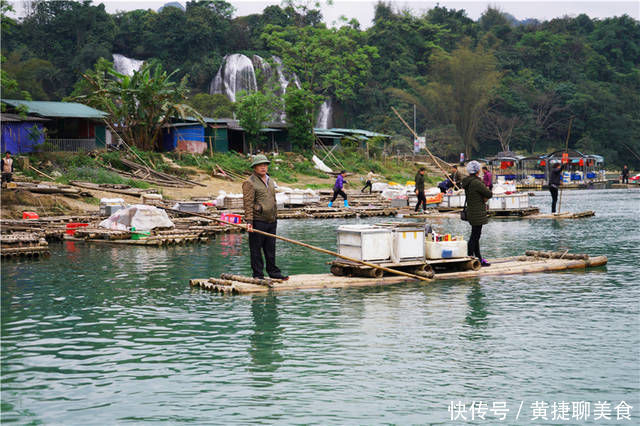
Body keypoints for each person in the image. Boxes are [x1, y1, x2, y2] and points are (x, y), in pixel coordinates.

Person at [242, 154, 288, 281]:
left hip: (271, 220)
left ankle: (273, 272)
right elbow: (248, 203)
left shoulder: (271, 181)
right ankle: (258, 274)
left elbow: (273, 199)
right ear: (254, 167)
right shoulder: (249, 182)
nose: (263, 167)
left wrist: (275, 216)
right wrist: (249, 222)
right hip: (258, 220)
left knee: (270, 248)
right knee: (256, 249)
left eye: (265, 165)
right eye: (260, 165)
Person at [461, 160, 493, 267]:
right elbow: (489, 193)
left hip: (471, 212)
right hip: (477, 212)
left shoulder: (467, 182)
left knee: (475, 235)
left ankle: (478, 257)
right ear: (477, 171)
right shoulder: (476, 182)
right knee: (475, 236)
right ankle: (470, 256)